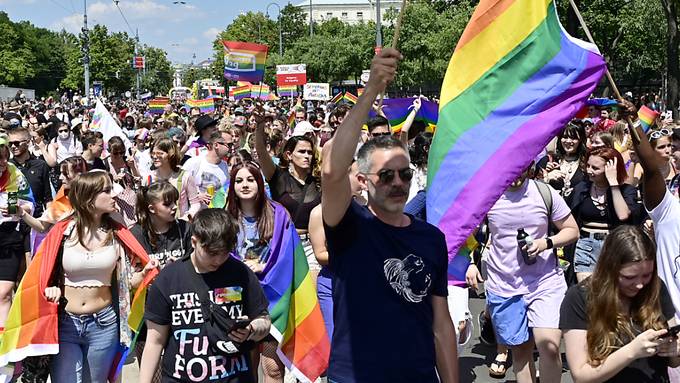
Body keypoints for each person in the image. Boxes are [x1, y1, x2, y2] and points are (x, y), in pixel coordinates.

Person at [321, 48, 458, 382]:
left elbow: (441, 322)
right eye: (386, 176)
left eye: (405, 174)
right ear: (365, 181)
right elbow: (330, 169)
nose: (398, 183)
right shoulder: (348, 225)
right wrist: (371, 90)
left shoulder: (430, 238)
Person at [465, 164, 579, 383]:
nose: (516, 174)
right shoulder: (488, 195)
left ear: (531, 166)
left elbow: (572, 229)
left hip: (545, 282)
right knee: (520, 352)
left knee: (550, 346)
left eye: (522, 167)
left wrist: (546, 243)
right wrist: (470, 263)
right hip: (504, 285)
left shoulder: (544, 193)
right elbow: (466, 232)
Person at [43, 171, 158, 382]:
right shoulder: (62, 232)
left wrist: (143, 274)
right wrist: (50, 289)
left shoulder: (118, 233)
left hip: (104, 324)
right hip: (66, 323)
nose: (114, 193)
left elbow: (126, 283)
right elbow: (43, 274)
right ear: (88, 198)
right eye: (107, 190)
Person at [139, 208, 271, 383]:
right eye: (211, 253)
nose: (218, 260)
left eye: (224, 253)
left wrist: (252, 330)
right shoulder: (168, 279)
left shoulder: (241, 273)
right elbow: (154, 342)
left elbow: (264, 321)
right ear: (194, 242)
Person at [560, 225, 680, 382]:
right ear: (609, 269)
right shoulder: (579, 298)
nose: (639, 284)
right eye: (629, 277)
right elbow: (581, 376)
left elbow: (674, 361)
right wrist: (632, 351)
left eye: (646, 275)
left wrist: (674, 350)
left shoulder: (655, 287)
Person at [254, 113, 322, 279]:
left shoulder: (319, 182)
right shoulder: (277, 177)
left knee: (312, 299)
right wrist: (260, 126)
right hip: (284, 244)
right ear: (289, 155)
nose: (307, 155)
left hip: (311, 247)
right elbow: (261, 151)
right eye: (302, 152)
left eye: (309, 152)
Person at [308, 161, 366, 345]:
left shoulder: (368, 208)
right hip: (333, 283)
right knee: (337, 342)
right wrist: (356, 255)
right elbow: (320, 254)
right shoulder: (319, 213)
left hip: (364, 281)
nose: (364, 181)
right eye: (359, 176)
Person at [570, 147, 639, 282]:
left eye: (595, 168)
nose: (589, 170)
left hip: (613, 245)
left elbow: (623, 215)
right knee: (587, 292)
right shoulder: (582, 189)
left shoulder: (626, 191)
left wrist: (613, 183)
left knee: (611, 292)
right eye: (588, 166)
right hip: (586, 245)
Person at [0, 138, 34, 327]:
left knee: (4, 293)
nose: (4, 162)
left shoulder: (15, 174)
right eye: (0, 158)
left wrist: (20, 209)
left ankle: (3, 349)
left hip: (9, 237)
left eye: (6, 158)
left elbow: (31, 203)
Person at [147, 138, 201, 220]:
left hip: (180, 225)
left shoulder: (185, 176)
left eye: (159, 153)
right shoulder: (149, 177)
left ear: (170, 154)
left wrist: (187, 217)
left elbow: (195, 203)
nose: (155, 156)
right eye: (153, 153)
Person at [182, 130, 230, 207]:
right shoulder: (194, 162)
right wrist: (196, 195)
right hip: (194, 215)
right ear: (216, 145)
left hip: (215, 215)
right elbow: (180, 185)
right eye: (229, 144)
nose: (232, 147)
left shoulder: (225, 166)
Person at [106, 136, 140, 227]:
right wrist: (114, 179)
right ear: (109, 151)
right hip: (118, 203)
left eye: (122, 152)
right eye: (116, 153)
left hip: (133, 202)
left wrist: (132, 166)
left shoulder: (127, 161)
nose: (119, 155)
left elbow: (138, 178)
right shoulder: (106, 164)